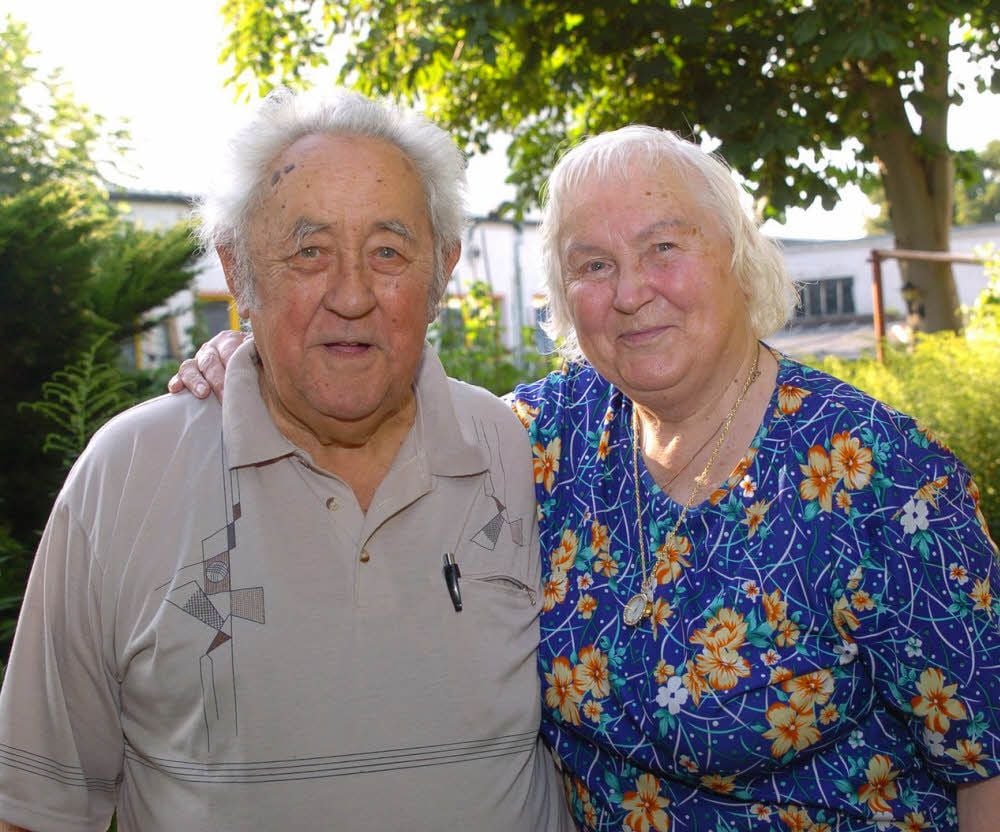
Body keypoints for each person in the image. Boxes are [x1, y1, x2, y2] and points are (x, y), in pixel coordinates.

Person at [172, 125, 1000, 830]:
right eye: (593, 264)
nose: (633, 292)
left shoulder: (881, 477)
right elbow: (370, 406)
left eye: (663, 248)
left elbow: (988, 761)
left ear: (738, 257)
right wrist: (250, 359)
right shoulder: (542, 436)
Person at [0, 88, 573, 832]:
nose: (352, 294)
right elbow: (37, 806)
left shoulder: (515, 451)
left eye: (389, 252)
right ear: (238, 272)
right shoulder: (129, 473)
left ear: (442, 272)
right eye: (309, 252)